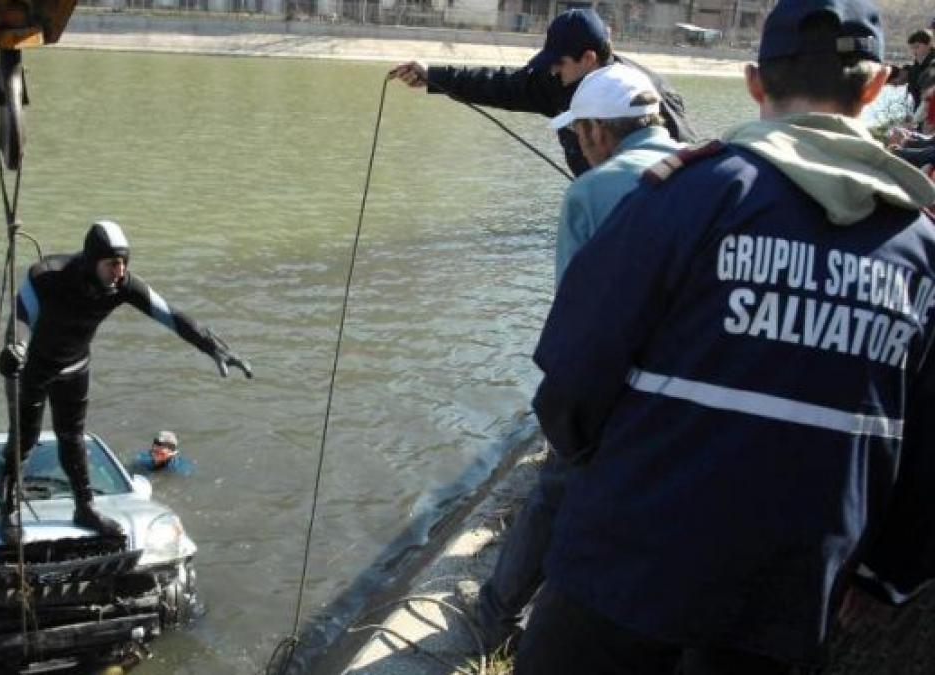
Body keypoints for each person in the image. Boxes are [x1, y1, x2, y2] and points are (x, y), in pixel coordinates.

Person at [519, 0, 935, 671]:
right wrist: (884, 574)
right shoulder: (920, 252)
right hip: (786, 600)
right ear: (877, 86)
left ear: (754, 82)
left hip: (621, 564)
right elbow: (926, 451)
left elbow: (571, 375)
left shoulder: (684, 195)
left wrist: (591, 464)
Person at [471, 63, 686, 653]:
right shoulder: (709, 171)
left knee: (555, 489)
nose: (578, 145)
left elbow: (576, 314)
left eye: (578, 133)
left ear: (596, 131)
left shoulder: (591, 191)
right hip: (691, 389)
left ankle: (496, 615)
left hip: (616, 386)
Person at [0, 220, 252, 544]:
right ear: (92, 261)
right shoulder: (47, 276)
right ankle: (7, 510)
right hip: (31, 369)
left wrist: (213, 347)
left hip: (75, 367)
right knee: (24, 440)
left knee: (72, 439)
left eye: (123, 263)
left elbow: (171, 315)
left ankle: (85, 508)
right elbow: (21, 316)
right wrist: (16, 348)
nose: (120, 271)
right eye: (112, 264)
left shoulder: (124, 285)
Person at [387, 9, 697, 176]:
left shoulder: (652, 96)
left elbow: (689, 166)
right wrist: (433, 77)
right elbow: (498, 84)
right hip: (595, 202)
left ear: (588, 58)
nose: (552, 71)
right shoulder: (557, 83)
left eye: (559, 63)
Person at [888, 29, 935, 129]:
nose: (914, 51)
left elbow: (928, 100)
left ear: (929, 45)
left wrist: (914, 121)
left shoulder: (932, 67)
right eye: (912, 48)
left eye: (917, 47)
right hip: (921, 116)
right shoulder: (915, 68)